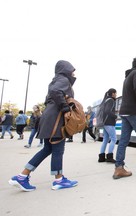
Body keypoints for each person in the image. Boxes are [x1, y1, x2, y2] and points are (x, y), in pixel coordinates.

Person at [8, 60, 78, 192]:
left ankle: (22, 176)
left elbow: (51, 94)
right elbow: (56, 91)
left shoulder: (56, 79)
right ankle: (59, 180)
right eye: (72, 70)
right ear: (66, 69)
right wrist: (65, 108)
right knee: (58, 149)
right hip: (55, 119)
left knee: (47, 149)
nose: (74, 73)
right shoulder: (63, 80)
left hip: (48, 117)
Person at [98, 88, 118, 163]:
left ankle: (101, 157)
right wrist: (115, 116)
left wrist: (114, 112)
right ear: (113, 93)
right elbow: (107, 111)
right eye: (116, 93)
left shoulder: (106, 100)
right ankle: (110, 156)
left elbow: (106, 110)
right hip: (109, 123)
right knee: (114, 139)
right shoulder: (111, 100)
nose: (116, 95)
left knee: (105, 139)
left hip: (105, 123)